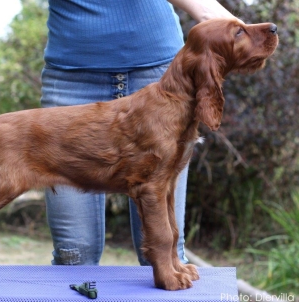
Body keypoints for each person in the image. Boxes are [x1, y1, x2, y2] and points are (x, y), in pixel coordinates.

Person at [41, 0, 239, 266]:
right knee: (74, 254)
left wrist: (216, 17)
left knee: (167, 255)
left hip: (160, 76)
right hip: (72, 81)